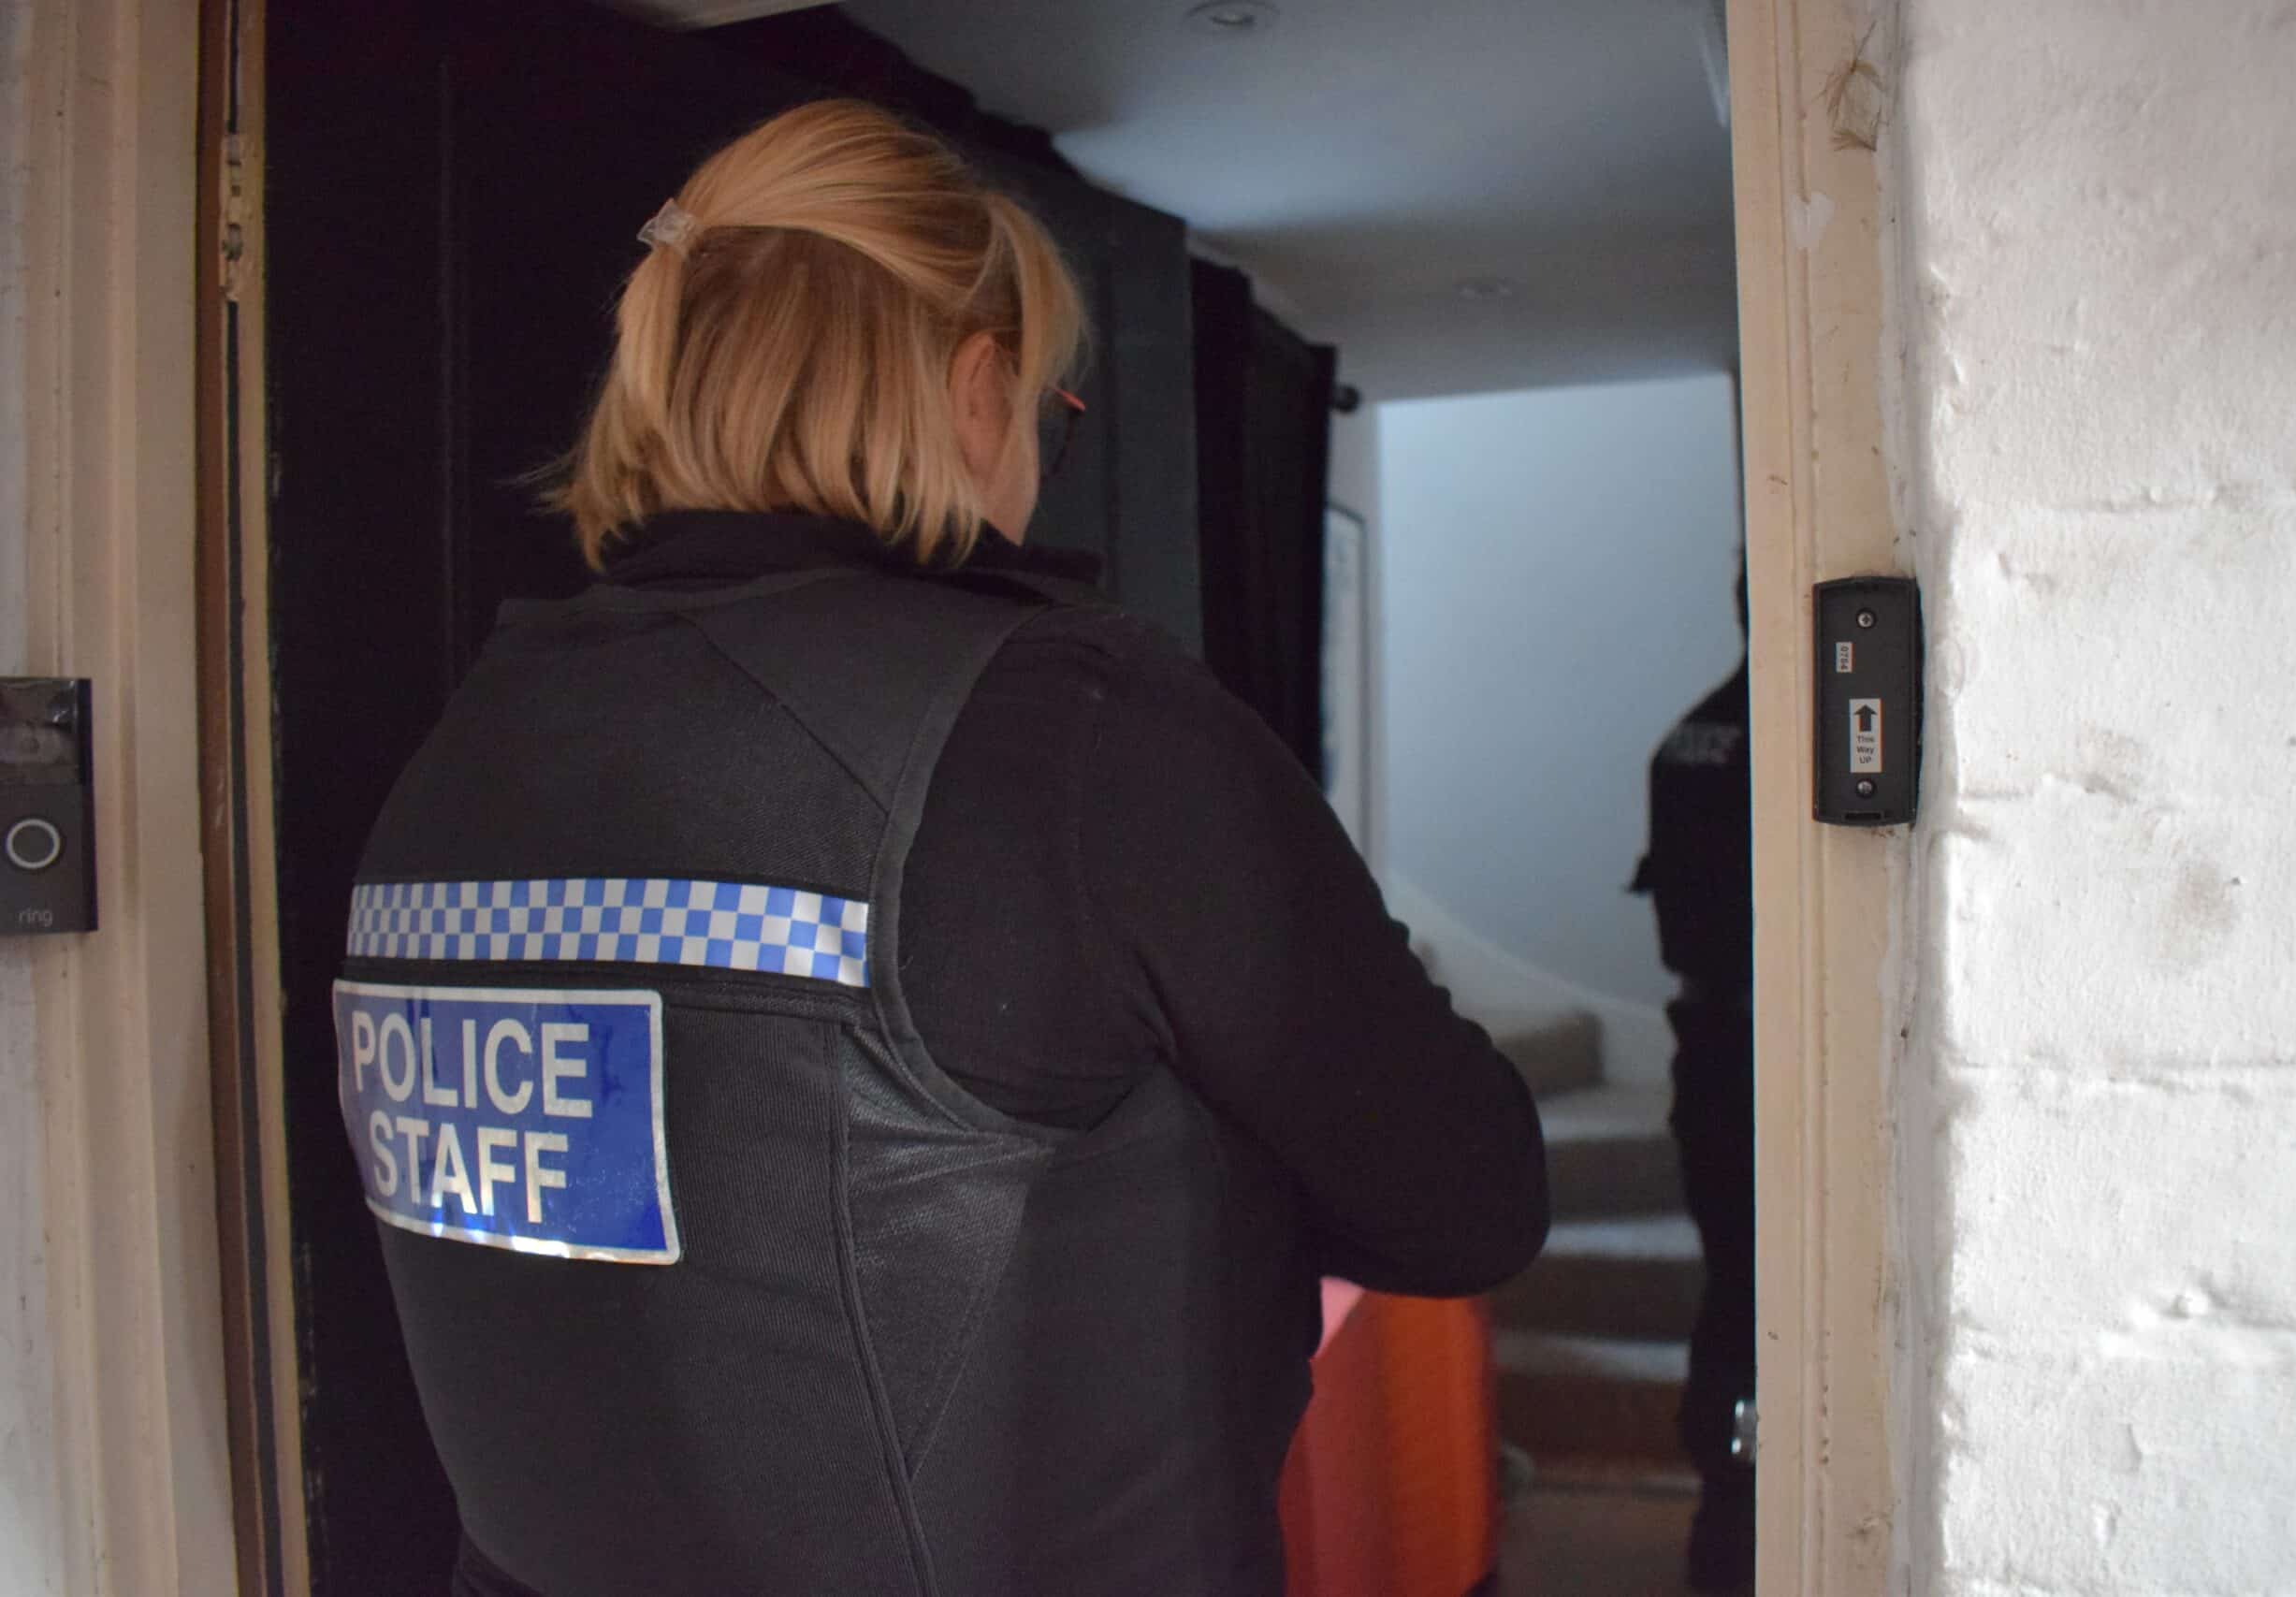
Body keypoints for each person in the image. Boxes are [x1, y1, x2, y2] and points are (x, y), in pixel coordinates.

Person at [333, 99, 1548, 1597]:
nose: (1042, 446)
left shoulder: (459, 752)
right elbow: (1467, 1192)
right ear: (976, 391)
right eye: (1051, 406)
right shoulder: (1075, 735)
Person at [1633, 578, 1756, 1594]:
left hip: (1706, 1050)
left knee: (1733, 1292)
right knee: (1759, 1301)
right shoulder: (1778, 736)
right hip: (1759, 1061)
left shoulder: (1690, 735)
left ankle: (1723, 1521)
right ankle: (1739, 1529)